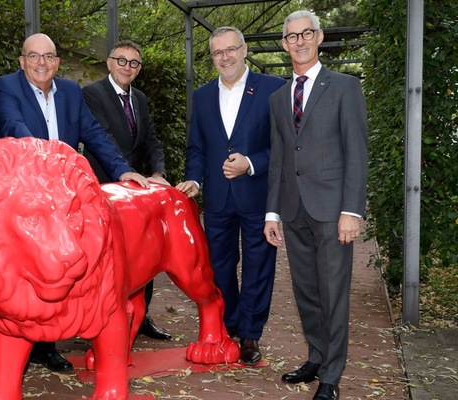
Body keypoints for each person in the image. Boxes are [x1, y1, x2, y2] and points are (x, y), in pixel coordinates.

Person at [0, 32, 150, 373]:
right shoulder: (5, 87)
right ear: (22, 61)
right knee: (31, 272)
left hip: (63, 200)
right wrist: (51, 161)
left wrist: (123, 171)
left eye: (48, 56)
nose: (42, 63)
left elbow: (93, 134)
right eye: (34, 57)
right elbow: (12, 126)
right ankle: (24, 341)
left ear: (58, 62)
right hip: (28, 200)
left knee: (59, 268)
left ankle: (47, 345)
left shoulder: (71, 92)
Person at [263, 10, 368, 400]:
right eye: (292, 36)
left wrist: (352, 211)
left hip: (332, 211)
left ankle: (331, 377)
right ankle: (316, 357)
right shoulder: (278, 98)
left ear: (319, 36)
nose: (300, 41)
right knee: (306, 291)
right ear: (284, 43)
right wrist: (272, 212)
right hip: (292, 210)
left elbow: (356, 151)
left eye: (306, 33)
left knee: (333, 292)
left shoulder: (344, 87)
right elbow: (278, 159)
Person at [176, 27, 285, 366]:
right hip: (219, 199)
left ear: (244, 49)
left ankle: (251, 335)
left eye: (230, 50)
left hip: (257, 196)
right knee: (219, 267)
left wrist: (252, 163)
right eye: (217, 52)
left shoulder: (273, 88)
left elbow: (283, 147)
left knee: (258, 267)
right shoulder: (202, 96)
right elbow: (197, 146)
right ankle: (230, 324)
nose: (224, 57)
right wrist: (194, 179)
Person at [81, 39, 172, 341]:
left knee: (141, 252)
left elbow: (151, 141)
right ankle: (102, 321)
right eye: (121, 60)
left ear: (139, 69)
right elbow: (102, 139)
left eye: (133, 63)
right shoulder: (92, 94)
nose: (126, 67)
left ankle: (141, 317)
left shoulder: (141, 99)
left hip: (135, 191)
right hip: (105, 187)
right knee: (106, 257)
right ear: (108, 63)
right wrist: (125, 172)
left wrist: (158, 172)